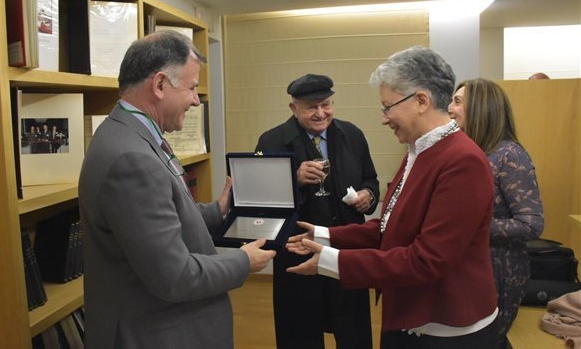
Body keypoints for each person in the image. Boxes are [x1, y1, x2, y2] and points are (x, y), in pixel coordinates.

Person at [285, 46, 499, 349]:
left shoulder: (462, 160)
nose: (385, 119)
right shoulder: (418, 149)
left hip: (444, 327)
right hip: (409, 312)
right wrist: (324, 235)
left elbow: (427, 260)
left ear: (421, 101)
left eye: (388, 108)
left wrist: (330, 261)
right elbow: (390, 226)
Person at [78, 30, 276, 349]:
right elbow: (174, 276)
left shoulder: (126, 135)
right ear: (159, 85)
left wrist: (218, 211)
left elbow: (159, 222)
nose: (197, 100)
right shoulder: (131, 158)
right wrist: (243, 261)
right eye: (193, 87)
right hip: (156, 334)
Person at [255, 73, 380, 349]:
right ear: (294, 108)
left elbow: (370, 179)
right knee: (299, 331)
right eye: (312, 107)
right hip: (296, 250)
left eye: (326, 104)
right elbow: (261, 203)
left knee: (353, 330)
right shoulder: (271, 141)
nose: (321, 113)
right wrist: (292, 179)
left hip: (346, 248)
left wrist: (367, 196)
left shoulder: (353, 134)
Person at [448, 78, 545, 348]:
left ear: (481, 108)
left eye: (457, 101)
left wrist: (469, 227)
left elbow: (531, 224)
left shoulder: (509, 154)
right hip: (468, 266)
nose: (449, 108)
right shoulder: (469, 151)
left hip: (499, 271)